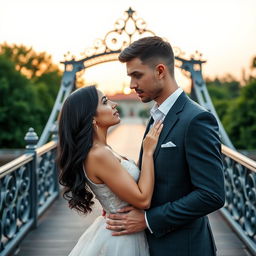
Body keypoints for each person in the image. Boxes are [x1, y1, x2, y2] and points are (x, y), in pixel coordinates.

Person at [106, 36, 225, 256]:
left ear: (161, 71)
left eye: (137, 75)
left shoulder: (196, 120)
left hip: (184, 248)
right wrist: (121, 202)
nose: (132, 85)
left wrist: (149, 220)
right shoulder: (157, 115)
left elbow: (212, 194)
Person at [57, 85, 163, 256]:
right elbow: (143, 200)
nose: (114, 104)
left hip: (124, 229)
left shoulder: (103, 149)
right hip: (122, 239)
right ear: (91, 117)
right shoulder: (99, 154)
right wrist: (149, 152)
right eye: (105, 102)